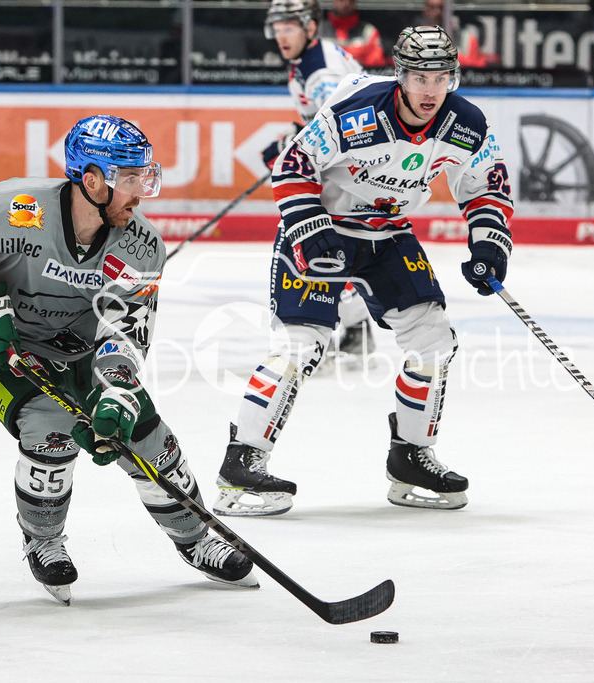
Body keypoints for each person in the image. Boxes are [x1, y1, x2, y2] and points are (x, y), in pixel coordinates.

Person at [0, 115, 258, 605]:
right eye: (130, 179)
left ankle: (197, 538)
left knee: (144, 433)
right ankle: (43, 539)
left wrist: (116, 394)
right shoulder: (13, 206)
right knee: (51, 428)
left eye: (144, 177)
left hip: (78, 348)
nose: (140, 192)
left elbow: (125, 331)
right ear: (91, 179)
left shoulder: (141, 246)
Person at [213, 25, 514, 517]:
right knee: (300, 343)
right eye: (419, 76)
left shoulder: (467, 123)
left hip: (387, 231)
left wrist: (489, 242)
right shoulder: (357, 112)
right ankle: (242, 462)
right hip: (323, 225)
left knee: (433, 340)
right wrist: (309, 231)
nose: (430, 90)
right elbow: (292, 168)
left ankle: (411, 456)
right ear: (400, 75)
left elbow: (485, 188)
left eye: (441, 77)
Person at [262, 0, 373, 361]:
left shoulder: (320, 73)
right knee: (326, 251)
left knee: (309, 244)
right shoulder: (314, 59)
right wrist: (296, 137)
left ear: (310, 27)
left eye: (289, 28)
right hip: (353, 171)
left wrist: (291, 150)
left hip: (351, 174)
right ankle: (354, 330)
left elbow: (345, 128)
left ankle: (311, 338)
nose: (281, 37)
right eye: (277, 30)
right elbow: (328, 121)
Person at [319, 0, 386, 68]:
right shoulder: (318, 32)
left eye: (351, 0)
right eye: (341, 0)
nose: (346, 3)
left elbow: (376, 67)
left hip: (358, 76)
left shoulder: (369, 32)